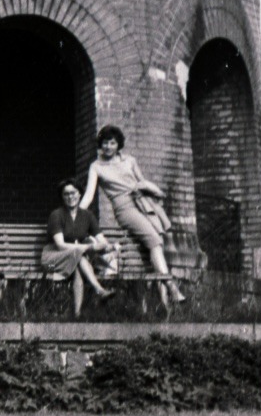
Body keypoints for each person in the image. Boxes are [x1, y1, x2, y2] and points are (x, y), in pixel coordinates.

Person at [81, 125, 185, 305]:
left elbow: (142, 181)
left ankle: (165, 304)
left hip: (143, 203)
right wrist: (75, 214)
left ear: (118, 144)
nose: (108, 146)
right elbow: (89, 196)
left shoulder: (129, 160)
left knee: (156, 245)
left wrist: (154, 190)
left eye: (112, 143)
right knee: (154, 239)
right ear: (101, 144)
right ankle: (172, 287)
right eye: (105, 143)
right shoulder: (96, 167)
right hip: (124, 209)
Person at [42, 181, 116, 318]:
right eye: (66, 194)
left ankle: (77, 314)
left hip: (74, 258)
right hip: (51, 261)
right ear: (62, 197)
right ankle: (99, 289)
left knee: (78, 266)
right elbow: (60, 245)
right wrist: (88, 247)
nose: (70, 197)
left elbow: (101, 239)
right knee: (79, 254)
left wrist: (106, 246)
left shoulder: (87, 216)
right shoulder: (56, 215)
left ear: (80, 194)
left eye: (73, 193)